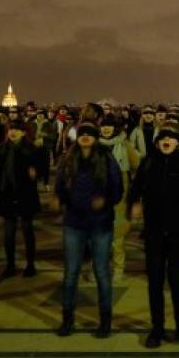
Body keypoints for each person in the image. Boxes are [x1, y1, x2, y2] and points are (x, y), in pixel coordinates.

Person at [127, 123, 179, 348]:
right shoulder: (148, 163)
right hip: (153, 231)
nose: (166, 141)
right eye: (163, 138)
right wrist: (134, 204)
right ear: (157, 142)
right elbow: (135, 188)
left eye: (171, 137)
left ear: (178, 142)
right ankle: (157, 327)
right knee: (155, 281)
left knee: (177, 279)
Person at [52, 123, 123, 338]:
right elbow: (60, 186)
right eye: (81, 134)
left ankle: (105, 320)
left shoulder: (106, 159)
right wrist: (58, 199)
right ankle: (67, 318)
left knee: (101, 271)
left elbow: (117, 189)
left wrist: (106, 201)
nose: (84, 138)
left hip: (100, 223)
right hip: (74, 222)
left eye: (89, 135)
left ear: (95, 138)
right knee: (71, 272)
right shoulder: (68, 159)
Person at [0, 120, 40, 278]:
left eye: (17, 129)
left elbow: (41, 168)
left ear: (24, 132)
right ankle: (10, 264)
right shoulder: (0, 149)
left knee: (27, 230)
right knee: (9, 233)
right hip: (7, 194)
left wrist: (35, 172)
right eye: (11, 129)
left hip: (25, 194)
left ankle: (30, 264)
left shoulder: (32, 150)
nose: (13, 132)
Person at [97, 116, 133, 283]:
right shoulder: (95, 145)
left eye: (109, 126)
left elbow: (137, 162)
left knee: (117, 234)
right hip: (98, 191)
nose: (106, 129)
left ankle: (119, 267)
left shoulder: (124, 145)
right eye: (103, 126)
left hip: (120, 191)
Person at [30, 108, 57, 192]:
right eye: (38, 114)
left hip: (44, 148)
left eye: (41, 114)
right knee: (34, 166)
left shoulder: (48, 124)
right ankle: (33, 184)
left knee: (45, 167)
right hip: (34, 148)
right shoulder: (32, 124)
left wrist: (45, 136)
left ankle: (46, 184)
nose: (40, 116)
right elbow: (29, 135)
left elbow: (53, 136)